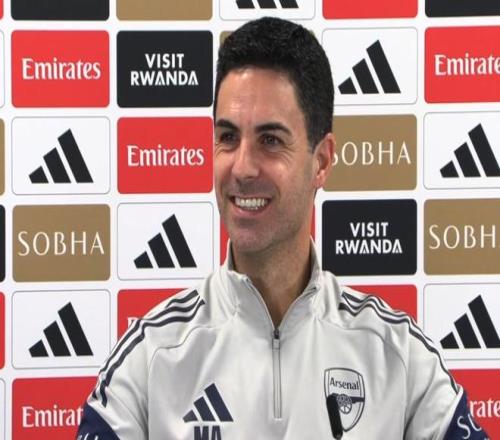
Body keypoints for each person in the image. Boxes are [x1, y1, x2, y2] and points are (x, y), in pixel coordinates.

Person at [77, 17, 488, 439]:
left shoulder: (399, 356)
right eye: (228, 137)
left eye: (270, 140)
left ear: (321, 161)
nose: (242, 167)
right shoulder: (150, 357)